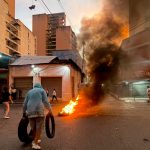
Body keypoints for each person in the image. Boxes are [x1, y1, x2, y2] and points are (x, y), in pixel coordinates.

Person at [23, 83, 53, 150]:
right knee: (39, 128)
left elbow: (24, 103)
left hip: (30, 112)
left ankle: (36, 139)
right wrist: (50, 110)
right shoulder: (42, 91)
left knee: (34, 128)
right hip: (39, 111)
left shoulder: (29, 92)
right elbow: (45, 101)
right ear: (40, 86)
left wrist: (24, 113)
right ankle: (35, 143)